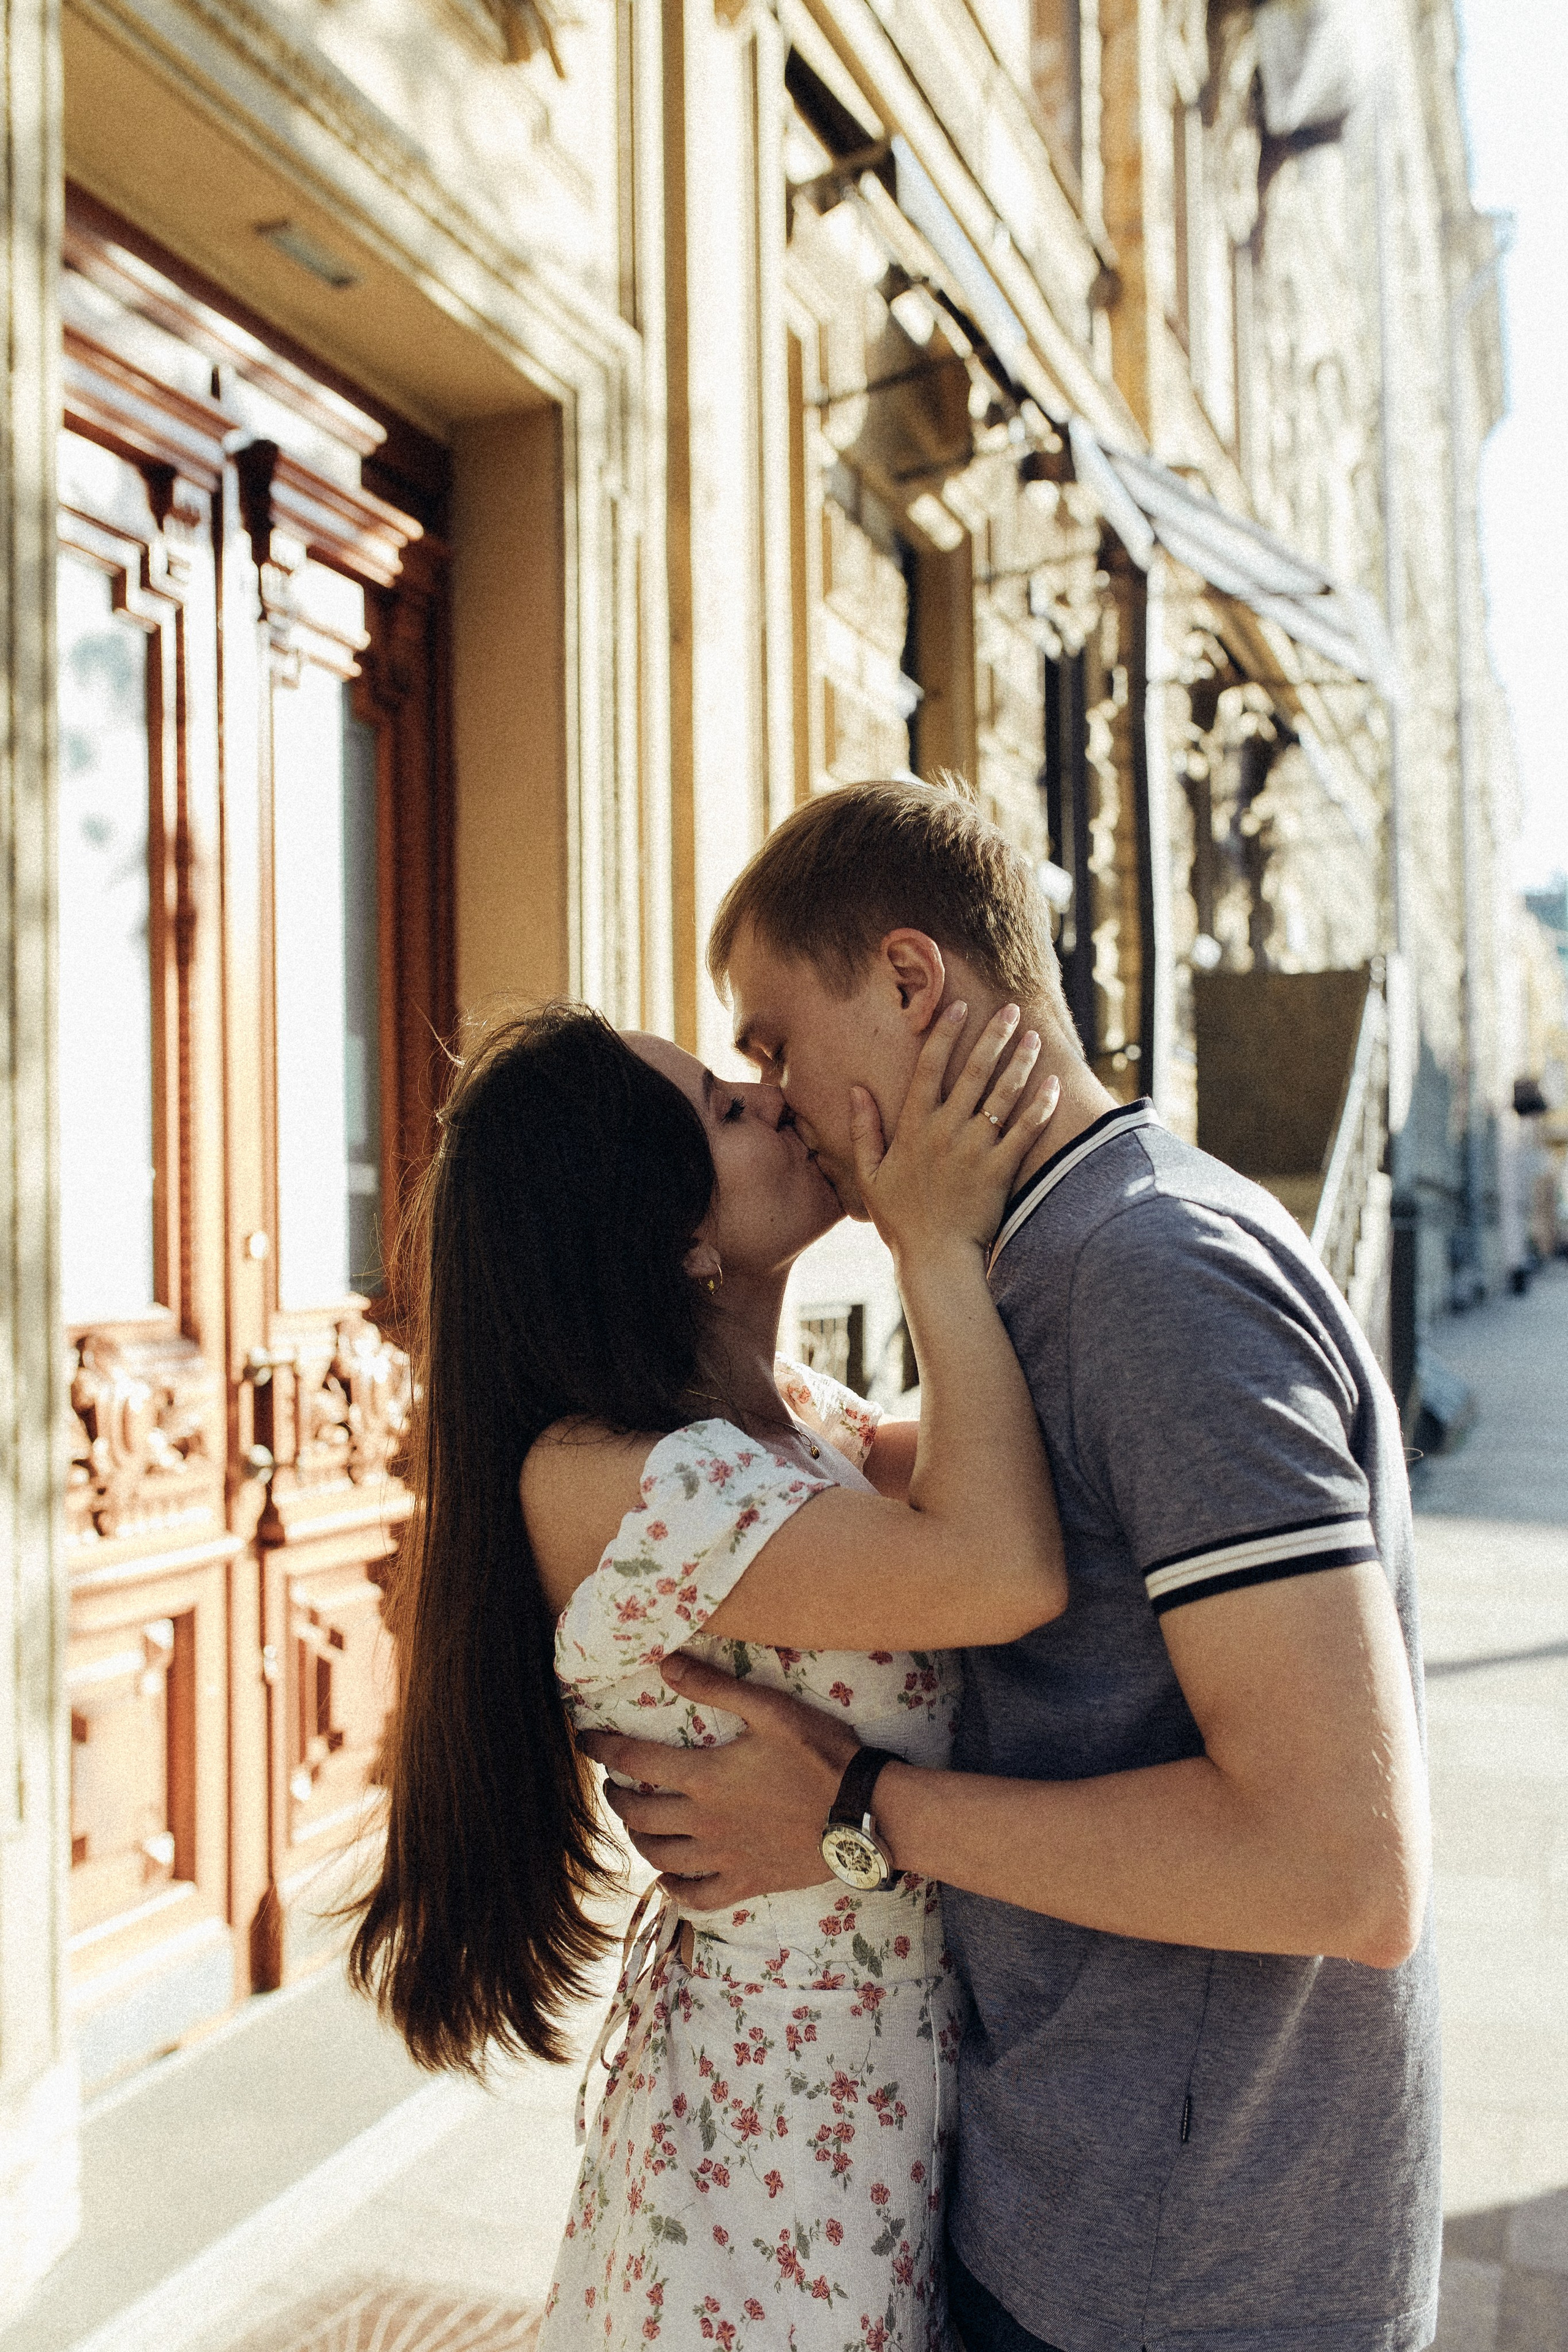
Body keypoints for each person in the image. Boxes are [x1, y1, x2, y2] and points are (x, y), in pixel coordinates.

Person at [581, 779, 1442, 2352]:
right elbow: (849, 1487)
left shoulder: (1148, 1278)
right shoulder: (1045, 1265)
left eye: (774, 1042)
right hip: (1086, 2211)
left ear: (909, 982)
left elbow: (1344, 1868)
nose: (769, 1094)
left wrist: (851, 1812)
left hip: (1187, 2277)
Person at [349, 994, 1074, 2350]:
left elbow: (1029, 1459)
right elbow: (1005, 1566)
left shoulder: (782, 1417)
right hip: (780, 2155)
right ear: (671, 1231)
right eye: (726, 1110)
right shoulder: (616, 1481)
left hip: (878, 2108)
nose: (773, 1099)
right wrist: (925, 1235)